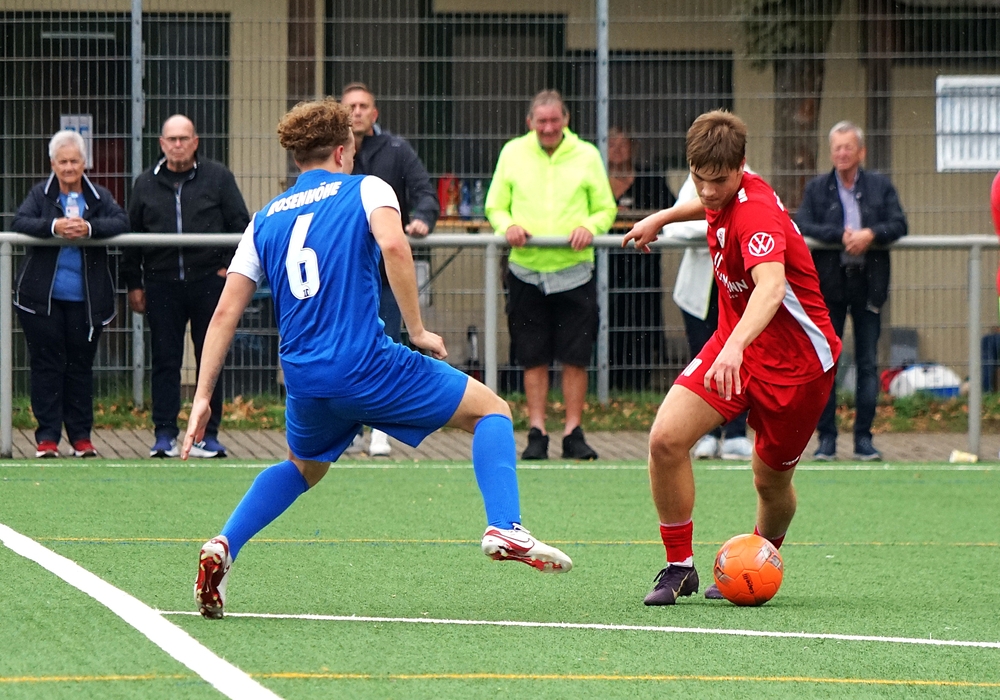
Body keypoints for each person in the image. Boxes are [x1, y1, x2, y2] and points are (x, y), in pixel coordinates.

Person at [184, 98, 571, 620]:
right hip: (366, 365)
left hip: (304, 379)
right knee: (492, 411)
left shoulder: (264, 219)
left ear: (297, 158)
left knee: (303, 467)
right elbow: (394, 246)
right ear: (343, 151)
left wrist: (203, 396)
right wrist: (418, 330)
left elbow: (225, 312)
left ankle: (224, 545)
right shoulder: (368, 188)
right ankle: (505, 525)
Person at [623, 110, 841, 605]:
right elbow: (707, 205)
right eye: (697, 178)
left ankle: (759, 559)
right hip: (735, 343)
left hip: (797, 366)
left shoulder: (757, 214)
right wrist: (663, 217)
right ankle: (680, 568)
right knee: (665, 440)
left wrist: (736, 347)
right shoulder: (719, 191)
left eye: (717, 181)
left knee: (770, 482)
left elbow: (771, 287)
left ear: (742, 167)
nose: (706, 191)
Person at [485, 89, 617, 460]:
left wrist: (590, 227)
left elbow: (605, 208)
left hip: (574, 271)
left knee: (576, 355)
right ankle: (537, 432)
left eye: (554, 120)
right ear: (530, 122)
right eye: (541, 121)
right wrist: (508, 226)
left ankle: (573, 432)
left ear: (566, 120)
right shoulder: (512, 152)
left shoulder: (587, 155)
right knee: (533, 355)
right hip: (526, 270)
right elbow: (495, 205)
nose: (547, 127)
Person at [122, 115, 251, 459]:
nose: (177, 145)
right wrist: (134, 283)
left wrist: (227, 268)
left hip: (209, 282)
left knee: (211, 358)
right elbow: (132, 236)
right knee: (165, 360)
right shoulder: (145, 184)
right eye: (172, 139)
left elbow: (240, 224)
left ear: (195, 142)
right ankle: (164, 434)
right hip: (161, 283)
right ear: (162, 144)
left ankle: (207, 436)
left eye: (184, 138)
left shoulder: (218, 177)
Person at [12, 129, 129, 458]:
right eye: (62, 162)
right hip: (41, 301)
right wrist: (54, 227)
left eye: (74, 161)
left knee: (80, 368)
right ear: (53, 164)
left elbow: (121, 222)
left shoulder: (99, 196)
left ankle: (81, 437)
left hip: (87, 301)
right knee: (46, 367)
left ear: (84, 163)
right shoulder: (40, 194)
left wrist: (90, 229)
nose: (68, 168)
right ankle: (47, 438)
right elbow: (20, 222)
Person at [795, 121, 908, 462]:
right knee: (826, 362)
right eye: (837, 148)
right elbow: (803, 224)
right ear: (831, 153)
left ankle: (863, 440)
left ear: (861, 152)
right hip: (829, 286)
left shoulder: (880, 186)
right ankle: (826, 440)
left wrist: (870, 234)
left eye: (848, 147)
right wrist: (839, 236)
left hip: (868, 284)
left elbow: (899, 223)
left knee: (867, 364)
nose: (842, 153)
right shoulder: (817, 188)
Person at [340, 82, 440, 458]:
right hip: (344, 273)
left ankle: (380, 430)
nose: (357, 112)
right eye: (351, 106)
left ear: (375, 113)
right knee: (348, 350)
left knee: (387, 347)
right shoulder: (331, 153)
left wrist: (423, 218)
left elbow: (425, 192)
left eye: (364, 106)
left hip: (385, 276)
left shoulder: (397, 150)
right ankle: (349, 431)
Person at [661, 173, 752, 461]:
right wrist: (717, 229)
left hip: (738, 294)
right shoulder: (695, 182)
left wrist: (720, 229)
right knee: (703, 361)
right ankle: (707, 434)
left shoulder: (751, 184)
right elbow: (675, 228)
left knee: (738, 361)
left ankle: (736, 434)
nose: (709, 189)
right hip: (698, 295)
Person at [607, 127, 675, 391]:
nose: (616, 149)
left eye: (622, 143)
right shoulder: (596, 180)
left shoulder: (651, 179)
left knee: (642, 324)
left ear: (633, 147)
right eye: (611, 143)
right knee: (608, 323)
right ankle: (607, 386)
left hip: (642, 266)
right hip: (606, 268)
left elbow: (671, 210)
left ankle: (638, 387)